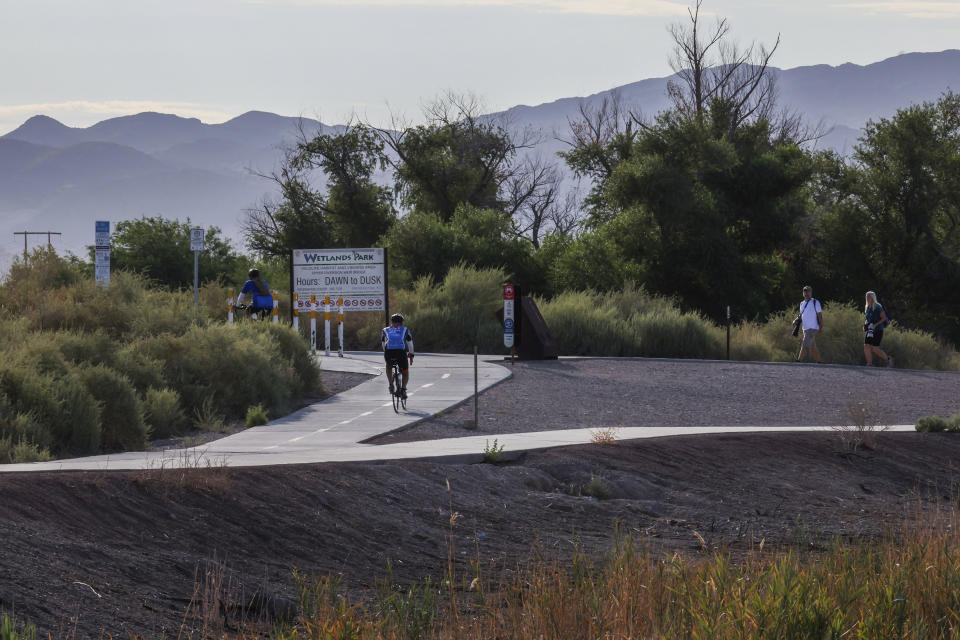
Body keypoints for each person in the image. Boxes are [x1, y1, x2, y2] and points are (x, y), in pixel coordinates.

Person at [381, 313, 414, 398]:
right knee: (405, 372)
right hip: (401, 352)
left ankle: (391, 384)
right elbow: (410, 344)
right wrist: (411, 354)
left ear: (392, 322)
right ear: (402, 322)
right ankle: (403, 389)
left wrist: (386, 352)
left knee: (388, 366)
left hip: (389, 352)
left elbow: (383, 343)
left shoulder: (385, 330)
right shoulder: (405, 329)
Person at [863, 290, 893, 367]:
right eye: (866, 296)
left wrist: (876, 325)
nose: (867, 298)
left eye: (869, 296)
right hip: (870, 330)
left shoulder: (877, 306)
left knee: (875, 348)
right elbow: (868, 318)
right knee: (866, 346)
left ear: (873, 298)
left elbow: (884, 318)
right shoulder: (867, 307)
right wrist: (865, 324)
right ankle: (869, 364)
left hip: (878, 329)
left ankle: (888, 359)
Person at [796, 285, 824, 363]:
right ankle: (819, 361)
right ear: (803, 293)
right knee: (812, 347)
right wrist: (795, 320)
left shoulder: (815, 302)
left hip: (812, 328)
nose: (806, 293)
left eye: (808, 291)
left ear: (811, 293)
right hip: (805, 328)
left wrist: (821, 327)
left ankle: (798, 360)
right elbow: (801, 315)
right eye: (805, 291)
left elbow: (820, 315)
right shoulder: (802, 304)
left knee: (804, 343)